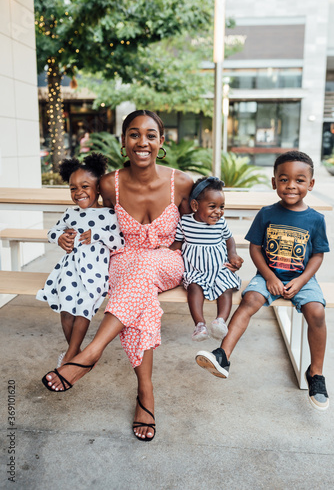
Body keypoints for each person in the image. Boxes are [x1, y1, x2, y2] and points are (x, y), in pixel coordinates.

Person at [41, 110, 193, 441]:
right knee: (143, 300)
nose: (143, 142)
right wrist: (69, 237)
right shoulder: (110, 184)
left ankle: (90, 353)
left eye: (151, 135)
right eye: (134, 134)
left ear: (161, 142)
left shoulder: (181, 183)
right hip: (123, 261)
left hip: (168, 260)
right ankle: (146, 392)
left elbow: (197, 230)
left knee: (146, 268)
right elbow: (93, 222)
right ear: (123, 142)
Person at [196, 151, 330, 411]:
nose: (291, 185)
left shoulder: (316, 219)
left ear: (311, 184)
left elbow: (317, 256)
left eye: (300, 180)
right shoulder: (266, 213)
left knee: (317, 312)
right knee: (249, 300)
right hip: (268, 275)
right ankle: (222, 356)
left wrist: (302, 281)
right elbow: (255, 248)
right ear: (274, 183)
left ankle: (316, 374)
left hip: (302, 279)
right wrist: (268, 276)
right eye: (284, 179)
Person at [37, 152, 124, 367]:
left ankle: (71, 356)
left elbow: (120, 242)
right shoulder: (70, 213)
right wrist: (59, 237)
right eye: (73, 188)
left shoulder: (110, 214)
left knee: (83, 308)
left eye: (85, 186)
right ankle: (75, 353)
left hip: (95, 272)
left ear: (98, 188)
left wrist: (98, 235)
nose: (79, 192)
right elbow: (52, 231)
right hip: (69, 269)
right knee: (66, 310)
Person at [170, 176, 243, 341]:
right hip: (195, 270)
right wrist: (165, 252)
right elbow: (177, 243)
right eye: (212, 206)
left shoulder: (221, 223)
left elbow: (229, 239)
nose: (218, 211)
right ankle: (200, 325)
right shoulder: (185, 222)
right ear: (195, 205)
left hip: (219, 268)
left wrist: (232, 253)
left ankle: (221, 321)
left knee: (226, 288)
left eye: (221, 207)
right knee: (194, 288)